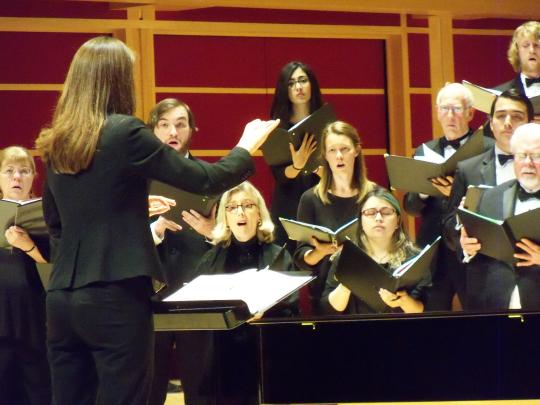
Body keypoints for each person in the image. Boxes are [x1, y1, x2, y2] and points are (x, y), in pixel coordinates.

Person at [34, 36, 278, 405]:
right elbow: (206, 180)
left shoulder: (58, 142)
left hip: (61, 300)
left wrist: (126, 211)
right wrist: (246, 147)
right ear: (118, 81)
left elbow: (57, 223)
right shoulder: (126, 132)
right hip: (115, 295)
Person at [195, 181, 294, 405]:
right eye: (232, 207)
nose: (240, 212)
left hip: (268, 355)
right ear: (226, 218)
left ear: (259, 214)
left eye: (248, 205)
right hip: (223, 357)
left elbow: (292, 307)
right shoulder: (210, 260)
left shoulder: (280, 256)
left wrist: (267, 308)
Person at [146, 98, 218, 405]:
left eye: (180, 124)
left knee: (201, 392)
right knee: (147, 392)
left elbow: (229, 236)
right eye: (164, 125)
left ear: (192, 130)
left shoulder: (210, 177)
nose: (172, 131)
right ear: (153, 131)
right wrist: (155, 229)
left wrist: (212, 233)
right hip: (148, 299)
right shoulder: (136, 179)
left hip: (197, 299)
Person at [403, 83, 494, 311]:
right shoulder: (425, 151)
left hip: (471, 247)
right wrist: (425, 190)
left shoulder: (487, 149)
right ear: (437, 112)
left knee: (478, 316)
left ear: (470, 113)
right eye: (444, 108)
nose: (450, 115)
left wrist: (458, 191)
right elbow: (411, 207)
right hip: (434, 252)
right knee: (433, 321)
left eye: (456, 109)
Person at [294, 120, 375, 314]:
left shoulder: (375, 196)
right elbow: (300, 258)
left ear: (356, 150)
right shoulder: (310, 199)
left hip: (369, 295)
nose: (339, 156)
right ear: (325, 155)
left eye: (345, 149)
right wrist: (321, 252)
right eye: (332, 150)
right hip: (326, 297)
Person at [460, 123, 540, 310]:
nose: (527, 163)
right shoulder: (489, 197)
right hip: (496, 307)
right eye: (521, 155)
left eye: (536, 156)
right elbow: (476, 254)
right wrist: (467, 248)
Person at [443, 90, 533, 255]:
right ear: (491, 124)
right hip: (487, 271)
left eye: (517, 117)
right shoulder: (468, 169)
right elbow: (448, 227)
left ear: (530, 123)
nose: (508, 123)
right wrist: (461, 233)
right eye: (500, 116)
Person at [0, 146, 51, 405]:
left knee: (37, 389)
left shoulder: (47, 215)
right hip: (1, 315)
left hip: (35, 315)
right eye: (9, 171)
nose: (17, 178)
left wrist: (28, 246)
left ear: (33, 177)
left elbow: (53, 265)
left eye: (24, 171)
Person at [324, 188, 427, 314]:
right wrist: (347, 284)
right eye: (370, 212)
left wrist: (403, 301)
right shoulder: (346, 257)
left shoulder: (415, 258)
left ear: (398, 221)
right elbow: (328, 310)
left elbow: (428, 309)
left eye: (386, 212)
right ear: (361, 221)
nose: (378, 218)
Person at [269, 61, 324, 251]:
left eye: (303, 80)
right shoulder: (276, 127)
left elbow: (339, 171)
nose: (298, 87)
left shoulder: (327, 123)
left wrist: (317, 169)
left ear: (312, 85)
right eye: (291, 83)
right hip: (288, 201)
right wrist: (298, 166)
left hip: (321, 197)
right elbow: (279, 176)